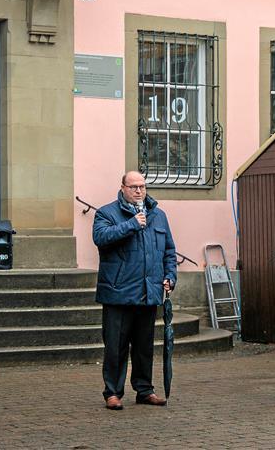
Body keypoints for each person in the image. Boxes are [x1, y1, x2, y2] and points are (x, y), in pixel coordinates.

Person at [92, 171, 177, 410]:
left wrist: (170, 276)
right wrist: (131, 224)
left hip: (148, 293)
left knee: (144, 347)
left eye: (142, 186)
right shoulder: (106, 213)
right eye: (133, 187)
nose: (139, 191)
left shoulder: (158, 216)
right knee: (115, 347)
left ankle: (144, 390)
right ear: (122, 188)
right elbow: (100, 237)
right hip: (118, 293)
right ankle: (113, 392)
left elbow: (169, 251)